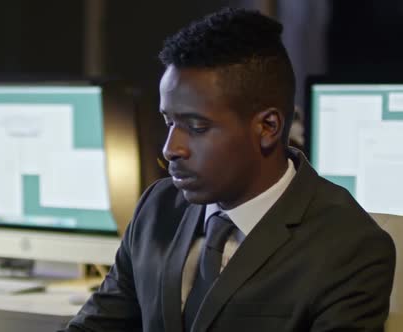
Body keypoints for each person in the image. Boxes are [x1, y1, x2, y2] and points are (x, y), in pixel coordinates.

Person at [58, 7, 396, 332]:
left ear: (268, 127)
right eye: (169, 121)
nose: (170, 148)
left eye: (196, 126)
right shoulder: (158, 208)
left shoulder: (350, 246)